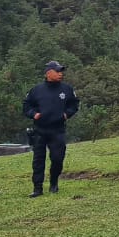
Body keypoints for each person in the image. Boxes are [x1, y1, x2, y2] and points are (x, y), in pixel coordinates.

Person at [22, 60, 79, 197]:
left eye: (61, 71)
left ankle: (54, 182)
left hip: (57, 130)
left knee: (58, 158)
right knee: (38, 160)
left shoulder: (67, 89)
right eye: (57, 71)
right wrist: (33, 114)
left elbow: (74, 104)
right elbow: (26, 106)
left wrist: (67, 114)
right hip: (40, 130)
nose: (61, 74)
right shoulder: (36, 90)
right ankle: (37, 188)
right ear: (48, 73)